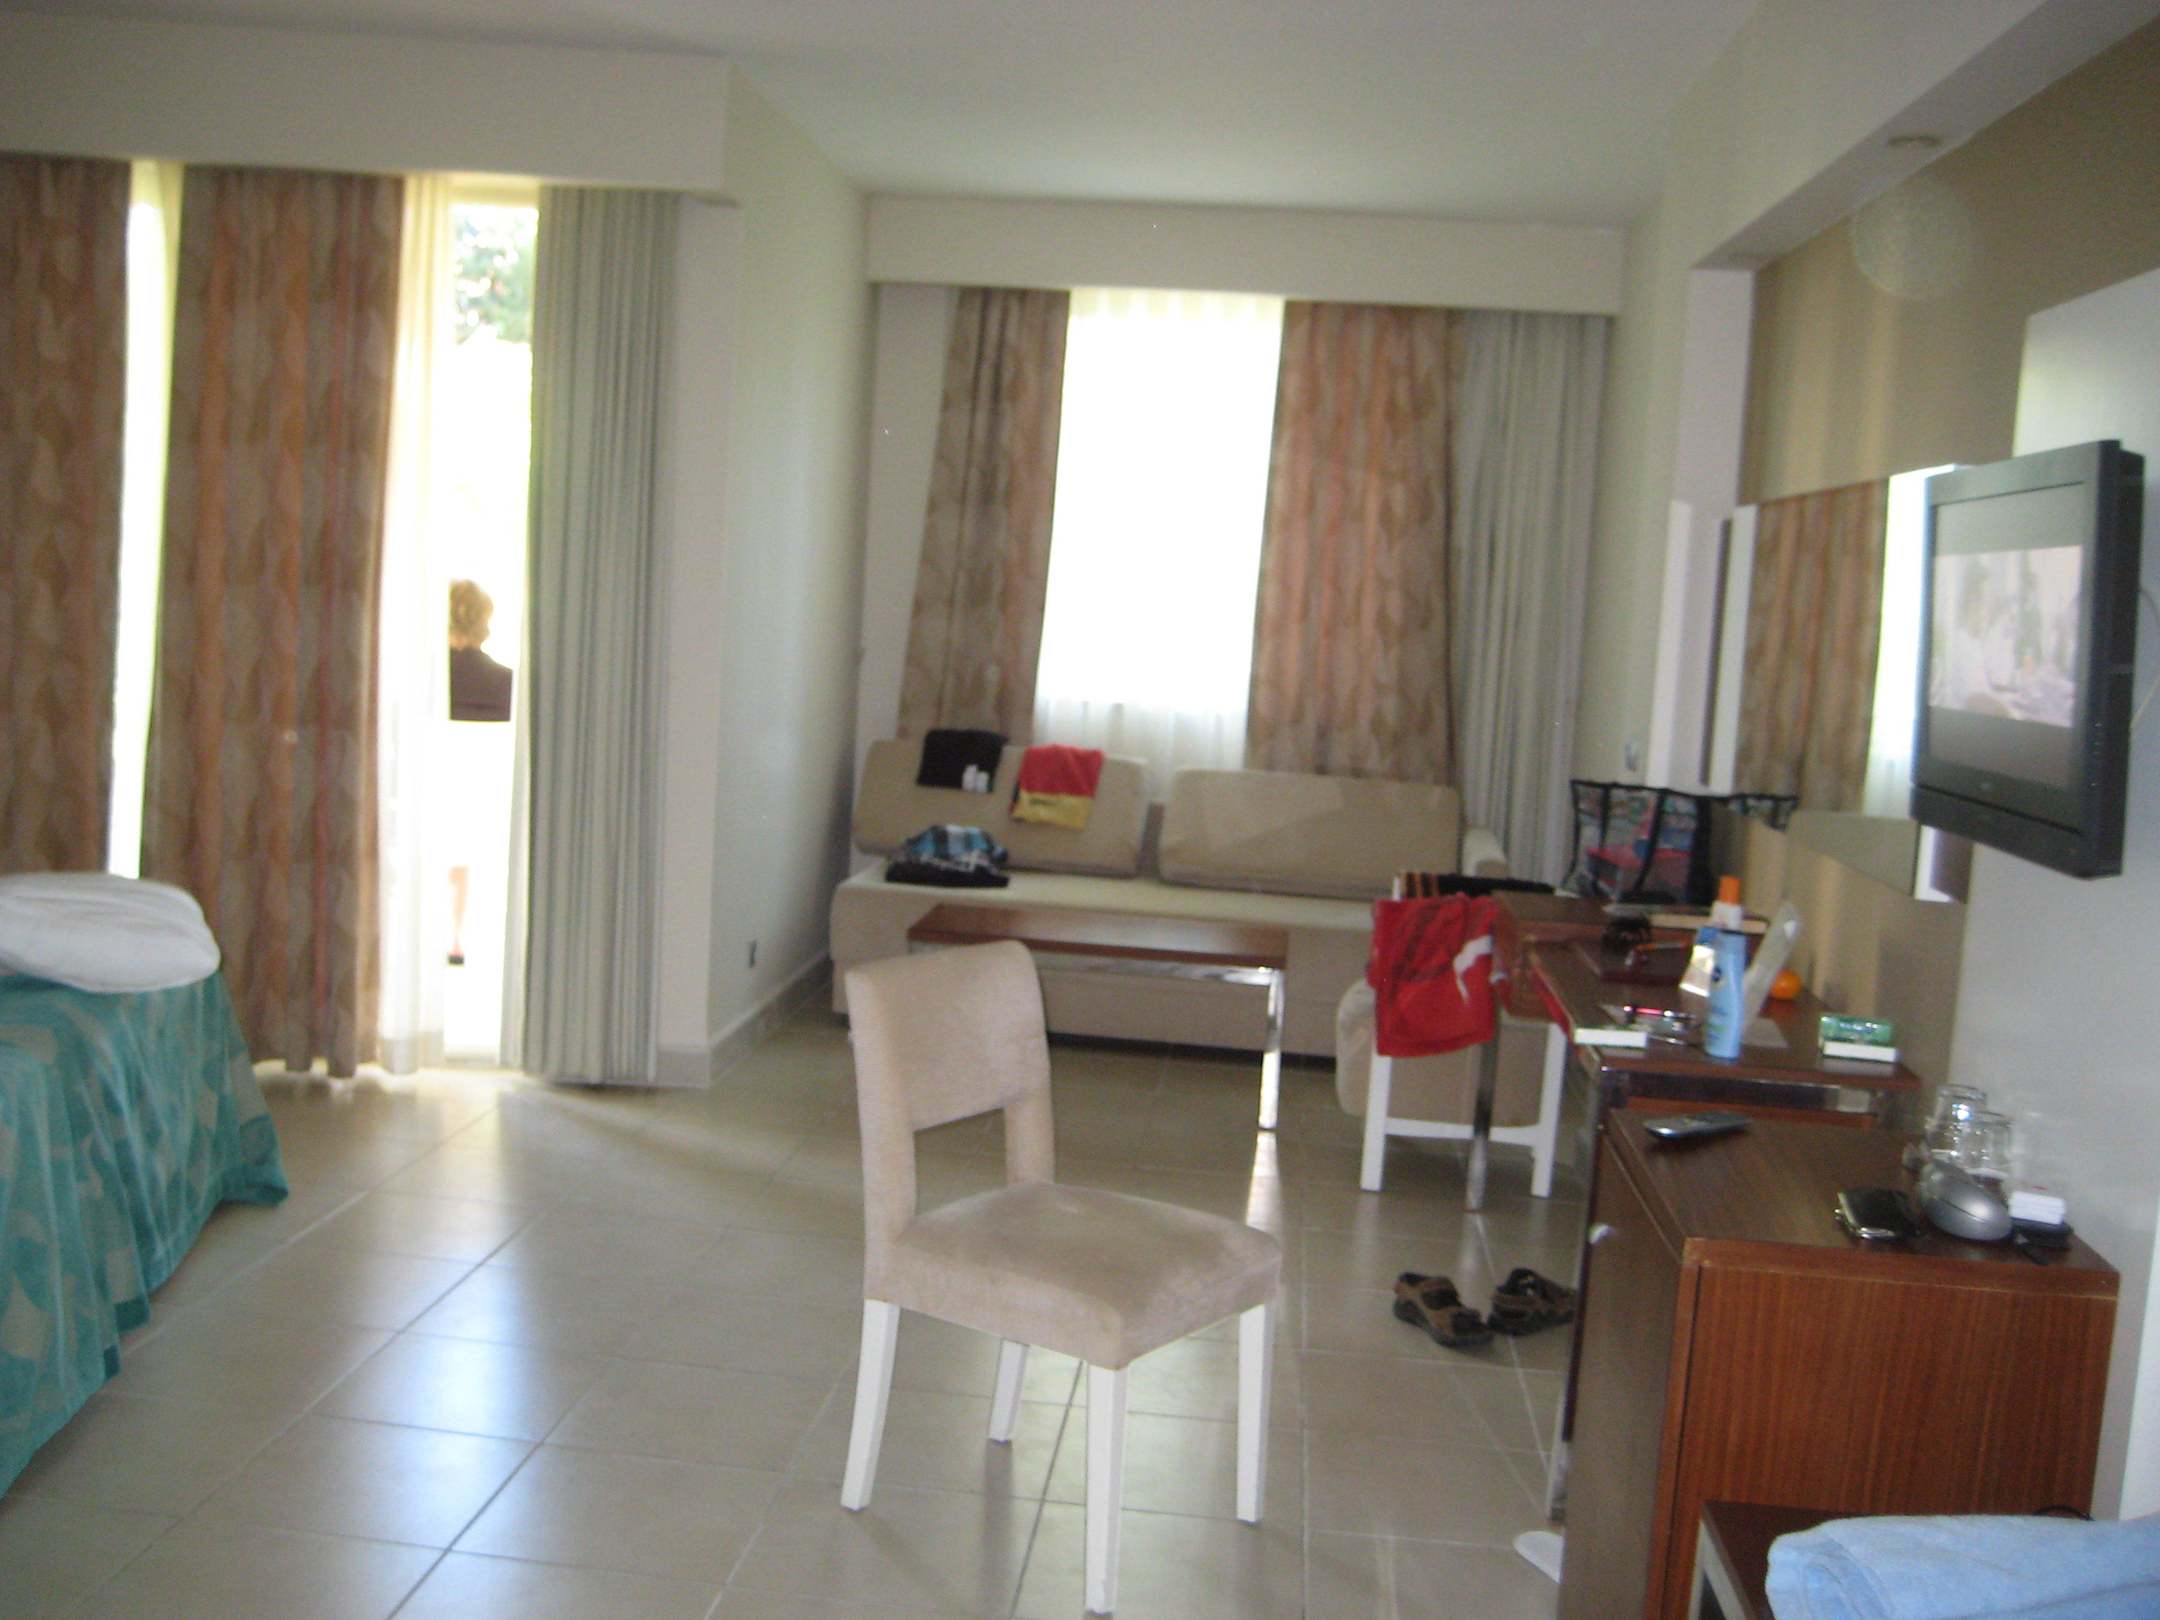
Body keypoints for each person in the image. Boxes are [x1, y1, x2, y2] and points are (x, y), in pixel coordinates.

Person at [447, 580, 513, 965]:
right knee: (462, 861)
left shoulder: (423, 680)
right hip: (480, 788)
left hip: (440, 785)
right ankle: (456, 936)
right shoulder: (505, 682)